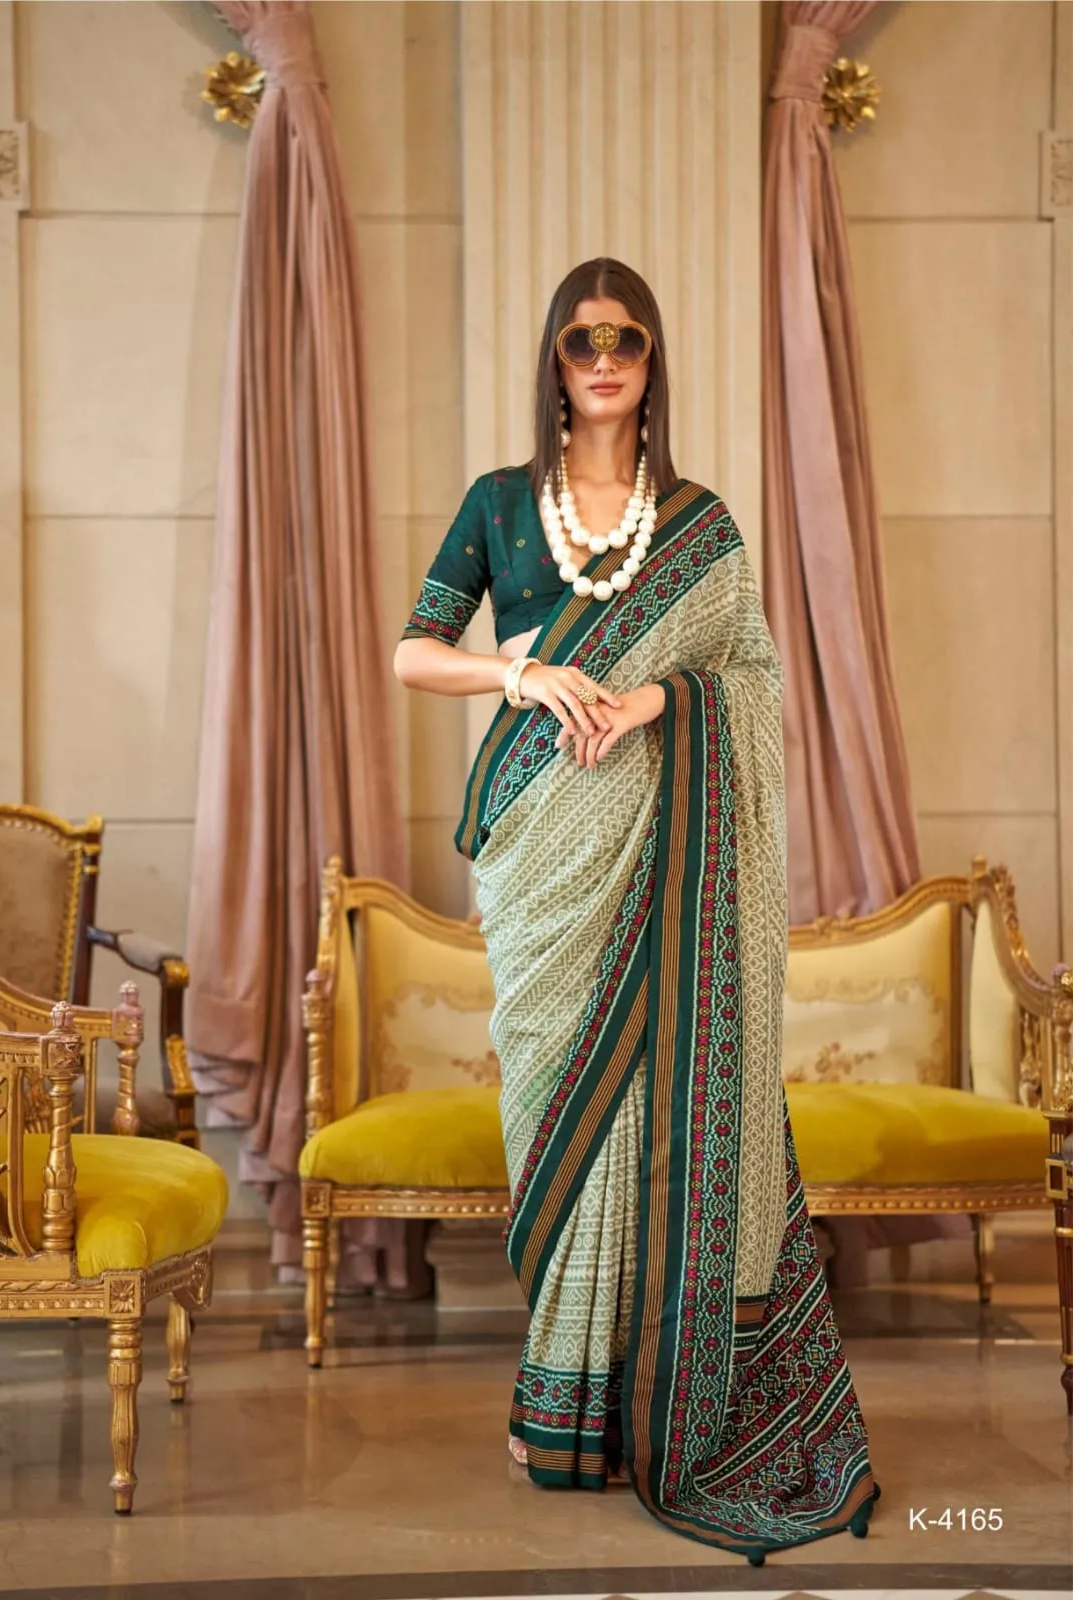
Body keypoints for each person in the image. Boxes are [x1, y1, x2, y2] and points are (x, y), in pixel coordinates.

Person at [393, 257, 880, 1563]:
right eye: (581, 341)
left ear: (652, 360)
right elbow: (411, 651)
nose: (604, 360)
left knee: (651, 1119)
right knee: (560, 1114)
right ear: (555, 363)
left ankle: (632, 1407)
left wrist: (665, 698)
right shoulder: (503, 505)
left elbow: (751, 675)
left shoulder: (699, 526)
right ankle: (565, 1402)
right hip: (538, 853)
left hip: (664, 844)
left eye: (627, 339)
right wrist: (521, 675)